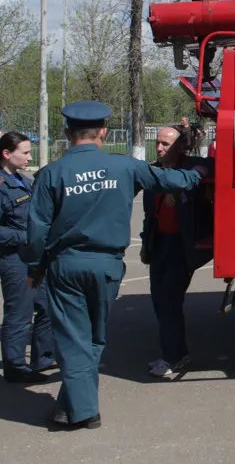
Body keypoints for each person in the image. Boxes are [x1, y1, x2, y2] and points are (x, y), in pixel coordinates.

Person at [22, 101, 208, 430]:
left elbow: (36, 231)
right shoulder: (124, 167)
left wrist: (35, 270)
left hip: (66, 264)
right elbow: (172, 182)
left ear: (67, 133)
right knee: (93, 337)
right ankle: (71, 405)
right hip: (106, 265)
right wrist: (200, 174)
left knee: (73, 338)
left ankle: (82, 412)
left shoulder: (52, 173)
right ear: (104, 133)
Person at [0, 131, 57, 383]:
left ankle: (43, 357)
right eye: (24, 152)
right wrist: (26, 236)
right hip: (15, 260)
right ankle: (15, 367)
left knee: (47, 308)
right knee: (19, 315)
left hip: (34, 259)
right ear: (7, 154)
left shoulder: (22, 180)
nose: (28, 156)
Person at [140, 125, 214, 378]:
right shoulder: (154, 170)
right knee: (158, 300)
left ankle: (173, 356)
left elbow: (215, 167)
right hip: (158, 243)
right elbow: (149, 212)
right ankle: (176, 351)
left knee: (170, 300)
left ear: (180, 146)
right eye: (158, 143)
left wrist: (188, 180)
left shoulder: (194, 165)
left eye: (165, 144)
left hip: (181, 245)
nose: (159, 148)